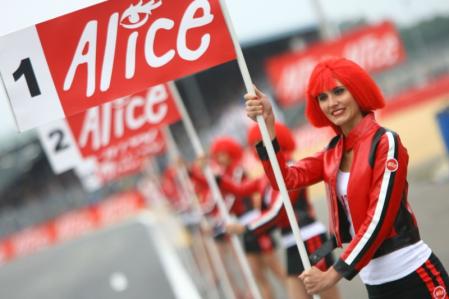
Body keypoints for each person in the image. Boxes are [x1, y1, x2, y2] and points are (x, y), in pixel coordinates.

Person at [244, 57, 449, 299]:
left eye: (338, 91)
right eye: (322, 97)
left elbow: (379, 219)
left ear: (358, 90)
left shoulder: (385, 142)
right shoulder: (332, 151)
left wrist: (333, 273)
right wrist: (268, 128)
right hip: (375, 284)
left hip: (414, 276)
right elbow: (285, 179)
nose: (332, 103)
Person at [224, 122, 341, 299]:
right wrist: (215, 179)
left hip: (310, 238)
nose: (257, 149)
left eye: (260, 142)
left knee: (328, 297)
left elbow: (280, 210)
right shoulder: (266, 176)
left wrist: (247, 228)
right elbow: (240, 190)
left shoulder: (290, 168)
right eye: (254, 144)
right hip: (291, 243)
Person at [192, 136, 286, 299]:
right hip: (241, 228)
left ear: (231, 152)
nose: (221, 158)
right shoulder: (223, 174)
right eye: (218, 155)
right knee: (257, 275)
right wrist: (197, 173)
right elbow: (216, 194)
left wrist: (218, 223)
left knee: (277, 270)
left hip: (256, 225)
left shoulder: (238, 170)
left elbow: (233, 195)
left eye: (224, 153)